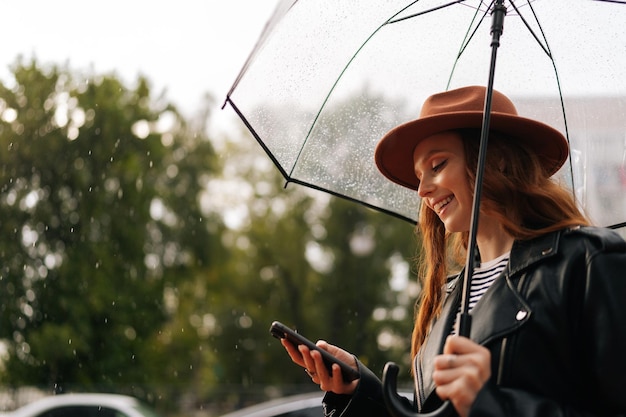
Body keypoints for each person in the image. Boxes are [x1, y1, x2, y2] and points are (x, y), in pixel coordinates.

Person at [280, 85, 626, 417]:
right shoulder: (449, 296)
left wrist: (493, 405)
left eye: (438, 165)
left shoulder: (589, 262)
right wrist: (361, 392)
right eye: (419, 175)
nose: (422, 190)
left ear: (498, 160)